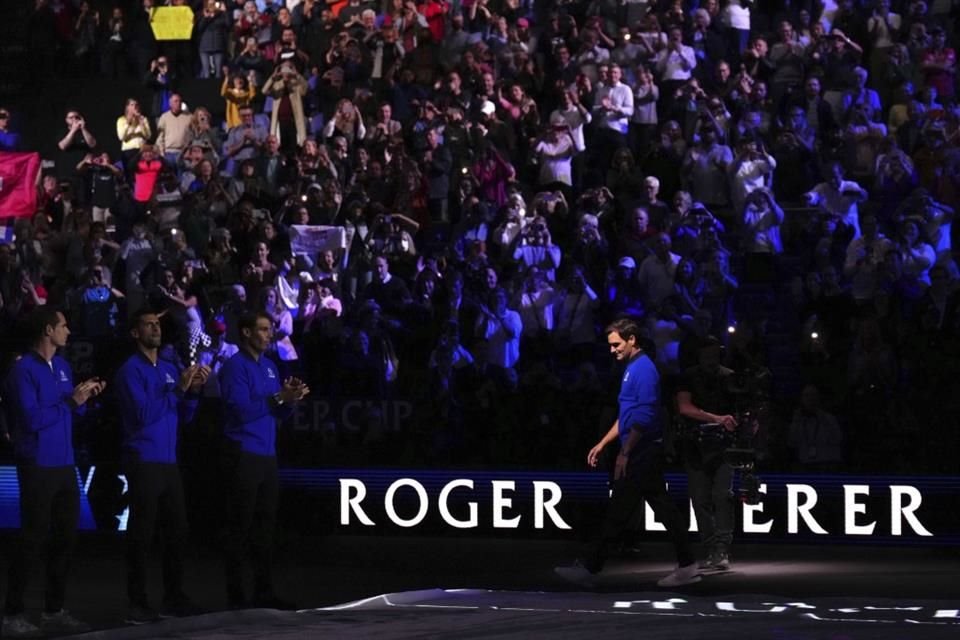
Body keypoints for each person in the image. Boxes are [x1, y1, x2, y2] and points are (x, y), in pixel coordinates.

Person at [555, 317, 700, 588]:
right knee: (661, 507)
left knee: (619, 511)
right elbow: (627, 413)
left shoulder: (643, 369)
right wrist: (604, 443)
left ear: (632, 340)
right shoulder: (632, 368)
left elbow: (643, 416)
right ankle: (688, 564)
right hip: (642, 449)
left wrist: (625, 451)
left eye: (616, 344)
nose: (612, 350)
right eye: (610, 346)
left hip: (642, 450)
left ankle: (590, 567)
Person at [2, 308, 106, 637]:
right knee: (32, 540)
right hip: (38, 465)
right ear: (48, 330)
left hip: (65, 465)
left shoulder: (61, 366)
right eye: (63, 325)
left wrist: (85, 398)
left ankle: (53, 610)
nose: (69, 331)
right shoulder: (22, 371)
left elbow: (66, 414)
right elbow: (31, 420)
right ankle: (12, 613)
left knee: (65, 539)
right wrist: (71, 403)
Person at [114, 310, 210, 624]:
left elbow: (184, 417)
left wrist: (193, 393)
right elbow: (142, 414)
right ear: (134, 333)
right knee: (142, 533)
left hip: (169, 461)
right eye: (148, 324)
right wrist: (179, 390)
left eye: (158, 324)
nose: (156, 327)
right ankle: (137, 602)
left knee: (177, 532)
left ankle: (173, 597)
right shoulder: (130, 371)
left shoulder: (170, 368)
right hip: (143, 459)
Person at [219, 312, 310, 609]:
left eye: (269, 329)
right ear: (245, 333)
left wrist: (291, 400)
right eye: (262, 329)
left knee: (265, 528)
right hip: (243, 453)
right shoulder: (235, 367)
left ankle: (263, 592)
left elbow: (277, 413)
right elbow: (240, 410)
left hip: (267, 455)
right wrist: (277, 399)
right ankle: (236, 596)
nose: (268, 334)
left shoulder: (271, 366)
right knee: (240, 527)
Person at [675, 336, 739, 570]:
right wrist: (716, 419)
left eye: (715, 354)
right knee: (700, 498)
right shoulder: (688, 377)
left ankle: (722, 550)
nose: (712, 359)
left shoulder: (730, 376)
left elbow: (740, 410)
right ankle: (711, 548)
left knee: (723, 495)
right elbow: (684, 407)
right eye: (707, 354)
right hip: (695, 445)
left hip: (724, 446)